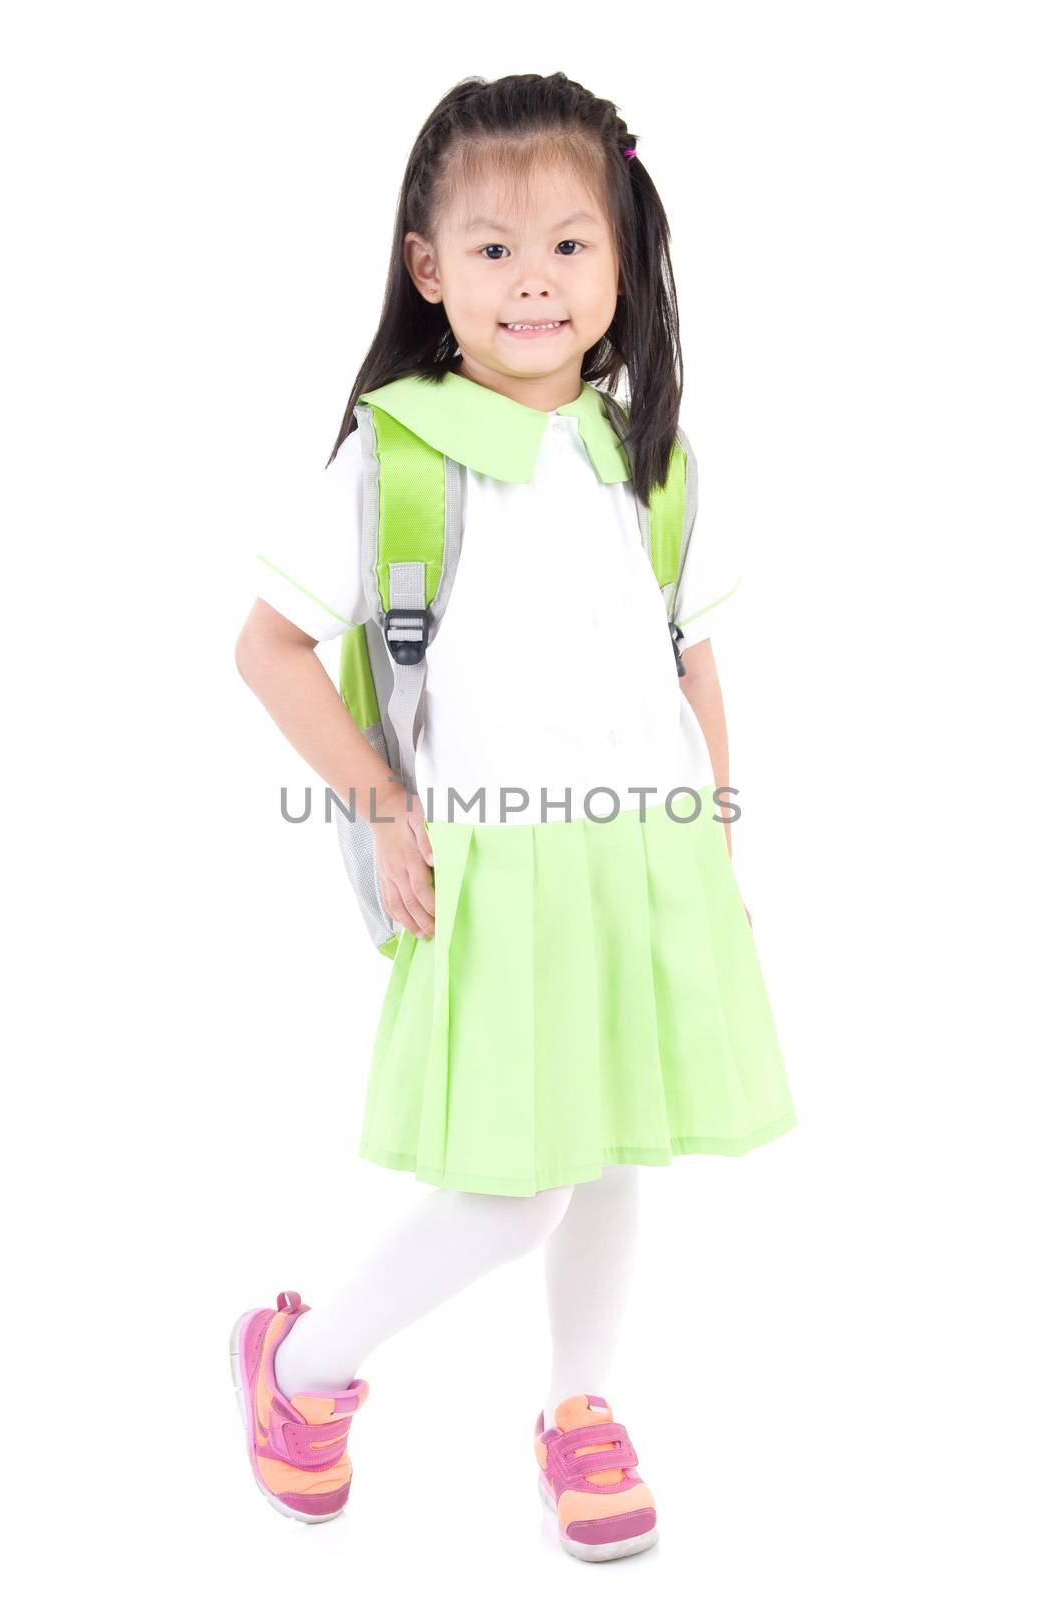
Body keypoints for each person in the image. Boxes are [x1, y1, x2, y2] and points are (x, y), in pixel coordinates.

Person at [230, 70, 797, 1563]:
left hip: (645, 855)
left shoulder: (650, 455)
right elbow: (269, 648)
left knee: (615, 1146)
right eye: (491, 249)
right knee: (514, 1188)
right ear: (429, 268)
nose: (533, 280)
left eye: (568, 243)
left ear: (624, 260)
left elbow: (691, 652)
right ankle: (298, 1369)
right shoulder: (399, 451)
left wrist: (713, 835)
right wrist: (387, 809)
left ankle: (580, 1406)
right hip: (498, 869)